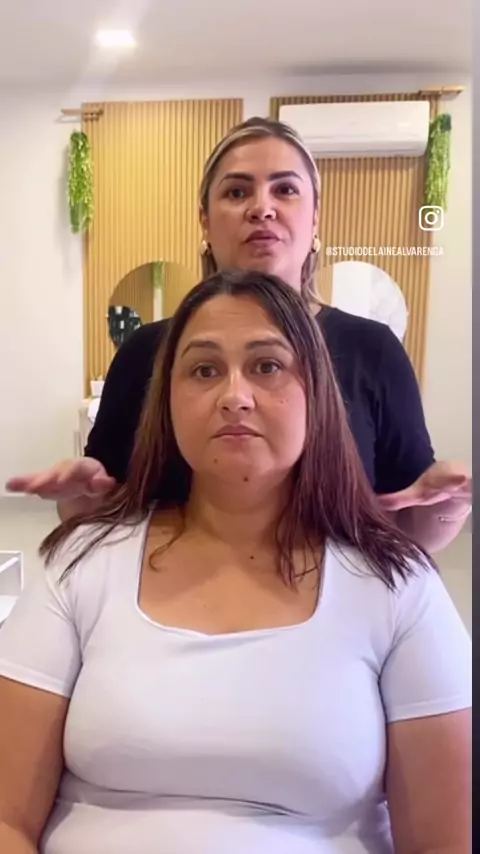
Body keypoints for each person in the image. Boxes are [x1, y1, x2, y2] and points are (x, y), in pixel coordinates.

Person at [0, 271, 471, 854]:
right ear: (167, 402)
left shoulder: (396, 586)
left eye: (267, 366)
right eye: (203, 370)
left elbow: (442, 842)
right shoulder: (81, 564)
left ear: (317, 394)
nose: (234, 396)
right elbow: (7, 819)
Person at [6, 117, 471, 552]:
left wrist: (450, 505)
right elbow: (101, 509)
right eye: (236, 191)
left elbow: (412, 526)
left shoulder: (373, 350)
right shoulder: (146, 352)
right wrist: (78, 500)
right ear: (205, 221)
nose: (262, 208)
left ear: (314, 219)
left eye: (285, 189)